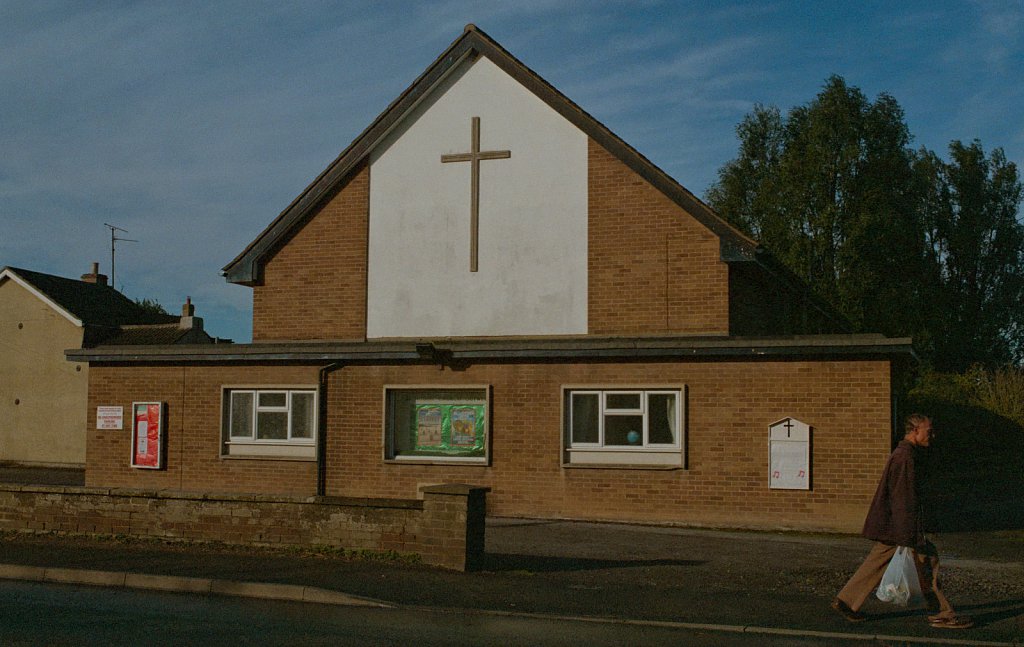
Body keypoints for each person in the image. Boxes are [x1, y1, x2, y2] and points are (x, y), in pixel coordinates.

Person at [831, 414, 973, 629]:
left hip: (895, 526)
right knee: (928, 564)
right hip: (903, 527)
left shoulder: (906, 454)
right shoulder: (906, 457)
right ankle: (942, 613)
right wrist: (909, 535)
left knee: (877, 561)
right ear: (915, 430)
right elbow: (902, 497)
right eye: (928, 430)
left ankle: (846, 602)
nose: (932, 435)